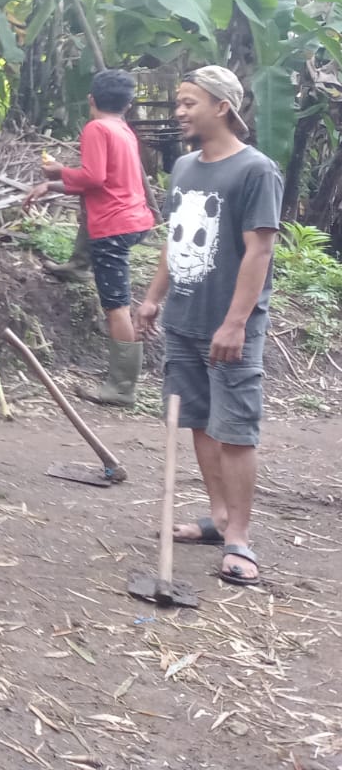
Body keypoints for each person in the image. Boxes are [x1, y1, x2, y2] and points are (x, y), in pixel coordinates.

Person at [136, 66, 280, 588]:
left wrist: (236, 323)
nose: (178, 112)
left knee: (235, 430)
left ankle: (239, 537)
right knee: (198, 420)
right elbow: (175, 239)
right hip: (184, 320)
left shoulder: (256, 171)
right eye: (178, 102)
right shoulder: (183, 168)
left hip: (228, 326)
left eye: (188, 102)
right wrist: (153, 299)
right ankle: (218, 518)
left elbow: (259, 250)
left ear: (222, 107)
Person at [23, 68, 156, 406]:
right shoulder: (124, 130)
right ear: (128, 106)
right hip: (135, 218)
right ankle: (80, 264)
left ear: (91, 99)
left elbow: (93, 178)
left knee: (117, 307)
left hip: (114, 226)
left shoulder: (97, 128)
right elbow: (100, 183)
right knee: (115, 296)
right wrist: (53, 185)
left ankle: (122, 387)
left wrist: (58, 171)